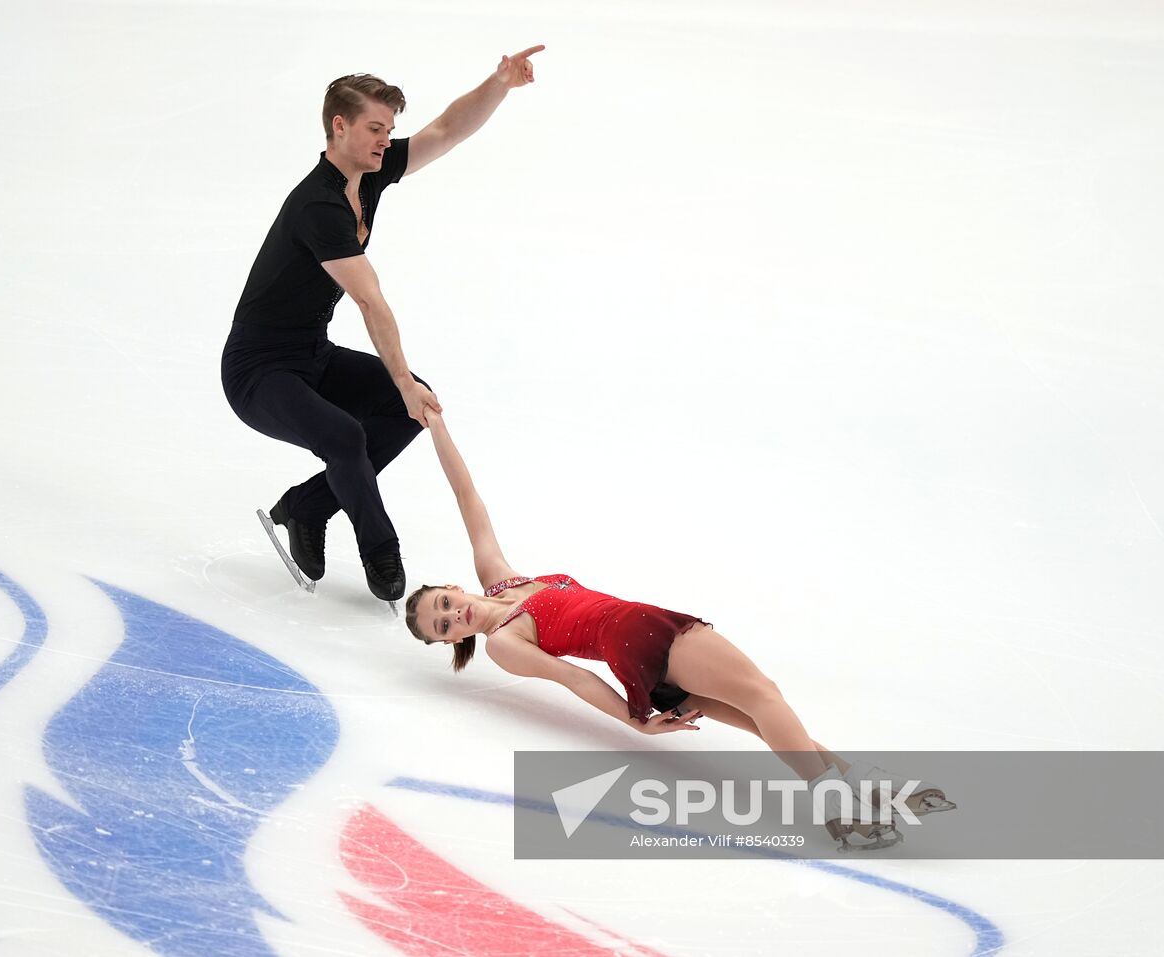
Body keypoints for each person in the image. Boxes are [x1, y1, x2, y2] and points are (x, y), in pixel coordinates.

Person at [404, 409, 954, 850]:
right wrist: (633, 723)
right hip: (640, 631)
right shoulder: (504, 643)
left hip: (634, 654)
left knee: (762, 719)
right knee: (765, 696)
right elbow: (572, 679)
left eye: (444, 604)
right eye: (444, 627)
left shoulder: (500, 580)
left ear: (454, 586)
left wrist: (438, 429)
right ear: (453, 642)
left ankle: (867, 789)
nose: (454, 616)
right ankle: (839, 807)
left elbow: (467, 497)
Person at [223, 46, 545, 603]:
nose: (385, 139)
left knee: (413, 406)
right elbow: (371, 302)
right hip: (258, 373)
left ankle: (308, 505)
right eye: (375, 128)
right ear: (338, 126)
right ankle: (381, 550)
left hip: (310, 356)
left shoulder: (367, 175)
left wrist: (499, 84)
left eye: (389, 129)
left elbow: (445, 131)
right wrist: (401, 377)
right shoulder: (317, 206)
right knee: (350, 434)